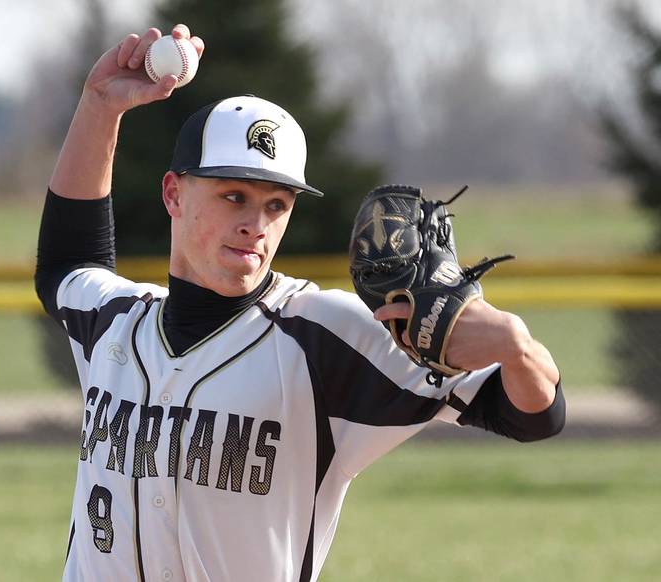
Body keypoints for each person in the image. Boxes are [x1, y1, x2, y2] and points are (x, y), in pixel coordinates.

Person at [35, 24, 565, 582]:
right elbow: (68, 264)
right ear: (173, 193)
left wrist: (515, 344)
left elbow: (534, 417)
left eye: (276, 205)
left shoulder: (322, 336)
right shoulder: (117, 321)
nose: (254, 225)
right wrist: (99, 107)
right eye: (233, 196)